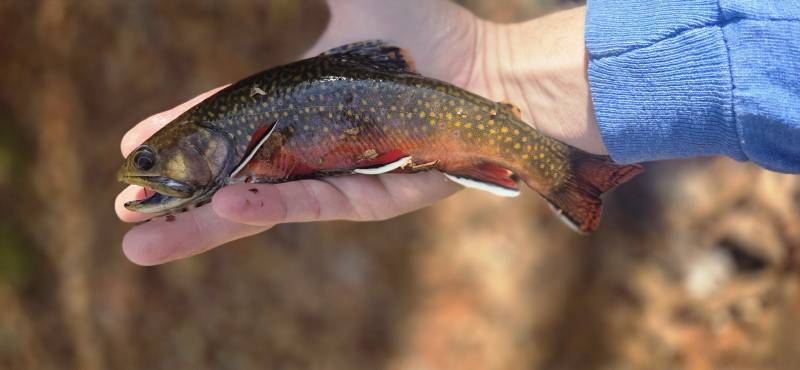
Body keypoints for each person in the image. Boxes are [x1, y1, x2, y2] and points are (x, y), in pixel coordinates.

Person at [115, 0, 800, 265]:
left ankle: (568, 175)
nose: (151, 169)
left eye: (155, 159)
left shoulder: (244, 146)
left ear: (202, 139)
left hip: (409, 113)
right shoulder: (238, 146)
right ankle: (568, 174)